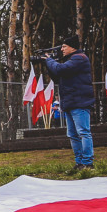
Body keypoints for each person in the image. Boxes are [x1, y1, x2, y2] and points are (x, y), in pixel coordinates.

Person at [41, 34, 95, 170]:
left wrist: (49, 60)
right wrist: (49, 64)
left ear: (72, 47)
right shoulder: (71, 59)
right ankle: (79, 162)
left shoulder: (79, 58)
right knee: (72, 135)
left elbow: (60, 69)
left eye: (64, 46)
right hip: (70, 102)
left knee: (83, 132)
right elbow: (58, 76)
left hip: (80, 101)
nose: (62, 49)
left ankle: (88, 163)